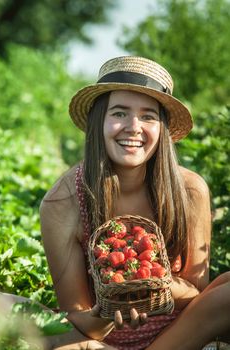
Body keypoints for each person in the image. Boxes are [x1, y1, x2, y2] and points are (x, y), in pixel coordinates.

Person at [39, 55, 230, 350]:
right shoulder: (63, 202)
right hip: (100, 342)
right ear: (98, 121)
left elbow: (197, 294)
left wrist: (156, 287)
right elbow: (74, 315)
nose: (134, 127)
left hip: (176, 334)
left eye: (148, 116)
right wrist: (110, 309)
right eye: (119, 113)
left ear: (163, 129)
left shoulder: (190, 190)